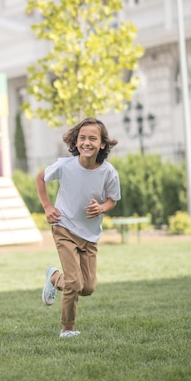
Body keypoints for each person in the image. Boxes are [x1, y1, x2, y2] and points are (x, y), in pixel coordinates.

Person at [36, 117, 120, 338]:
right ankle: (67, 329)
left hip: (90, 236)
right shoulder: (65, 166)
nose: (86, 142)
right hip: (64, 227)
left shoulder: (109, 172)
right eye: (82, 138)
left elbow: (113, 199)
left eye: (93, 138)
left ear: (102, 144)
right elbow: (41, 178)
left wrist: (102, 208)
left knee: (87, 287)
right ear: (76, 141)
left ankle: (54, 277)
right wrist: (47, 206)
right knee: (74, 282)